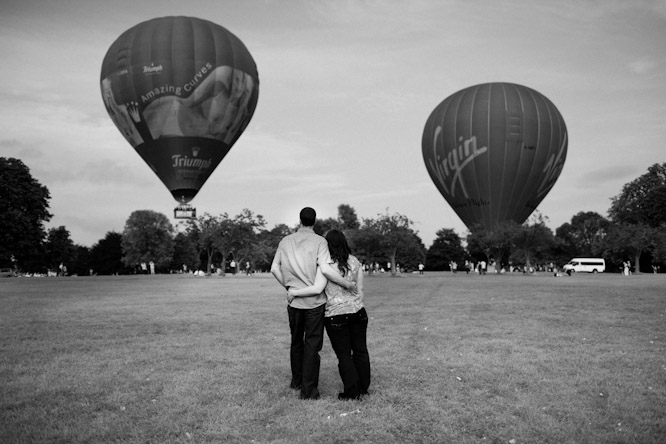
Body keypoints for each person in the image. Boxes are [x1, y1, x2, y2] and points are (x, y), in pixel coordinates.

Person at [271, 208, 355, 400]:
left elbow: (274, 268)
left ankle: (297, 381)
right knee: (312, 345)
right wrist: (346, 284)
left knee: (296, 342)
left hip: (294, 302)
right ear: (314, 221)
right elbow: (324, 268)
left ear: (299, 220)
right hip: (314, 303)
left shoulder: (285, 241)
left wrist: (289, 287)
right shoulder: (320, 241)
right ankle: (308, 391)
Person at [288, 230, 370, 401]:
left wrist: (295, 292)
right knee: (361, 351)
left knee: (344, 355)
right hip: (358, 311)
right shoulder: (354, 261)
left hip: (336, 314)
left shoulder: (326, 265)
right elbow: (360, 290)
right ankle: (363, 388)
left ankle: (352, 392)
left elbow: (317, 288)